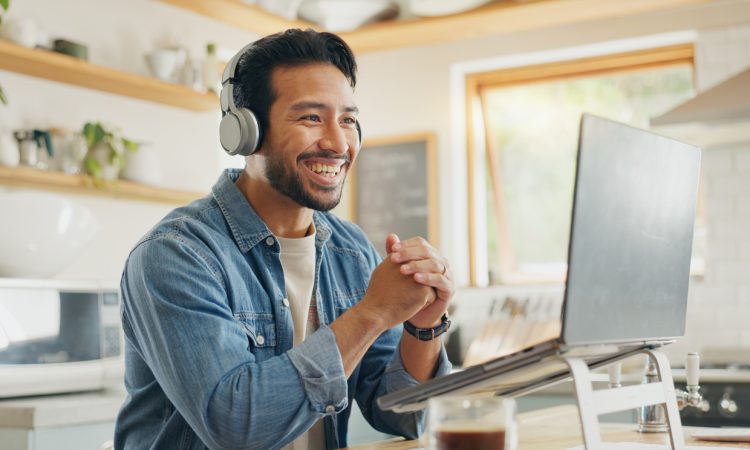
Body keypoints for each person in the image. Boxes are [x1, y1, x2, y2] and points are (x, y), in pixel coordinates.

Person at [114, 28, 454, 450]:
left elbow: (403, 415)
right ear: (246, 132)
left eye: (347, 120)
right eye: (311, 117)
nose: (338, 142)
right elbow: (236, 427)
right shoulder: (176, 255)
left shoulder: (351, 251)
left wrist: (423, 327)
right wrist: (372, 314)